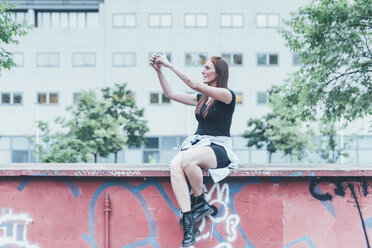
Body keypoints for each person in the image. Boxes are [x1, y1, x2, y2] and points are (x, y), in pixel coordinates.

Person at [150, 52, 239, 247]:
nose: (203, 71)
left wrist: (169, 64)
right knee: (175, 164)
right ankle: (190, 222)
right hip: (199, 144)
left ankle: (200, 200)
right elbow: (171, 94)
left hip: (218, 148)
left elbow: (194, 84)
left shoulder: (226, 95)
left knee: (187, 160)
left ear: (219, 72)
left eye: (207, 68)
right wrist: (159, 71)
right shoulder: (202, 98)